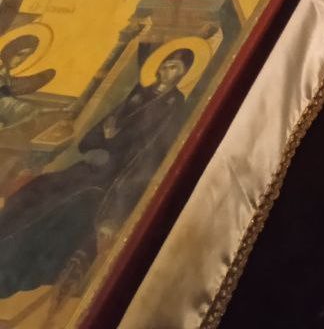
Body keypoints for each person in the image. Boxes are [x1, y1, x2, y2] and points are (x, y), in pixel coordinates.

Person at [0, 48, 195, 298]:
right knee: (34, 191)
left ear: (184, 75)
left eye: (177, 69)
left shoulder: (174, 106)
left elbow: (150, 150)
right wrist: (101, 138)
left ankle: (9, 268)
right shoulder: (138, 94)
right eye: (168, 65)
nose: (169, 72)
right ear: (158, 67)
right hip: (92, 166)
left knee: (62, 206)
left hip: (116, 178)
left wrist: (113, 145)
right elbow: (96, 133)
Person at [0, 34, 54, 129]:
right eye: (20, 54)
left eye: (27, 55)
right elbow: (5, 100)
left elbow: (23, 85)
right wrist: (28, 109)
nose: (21, 60)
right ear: (9, 52)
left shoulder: (5, 75)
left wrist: (46, 76)